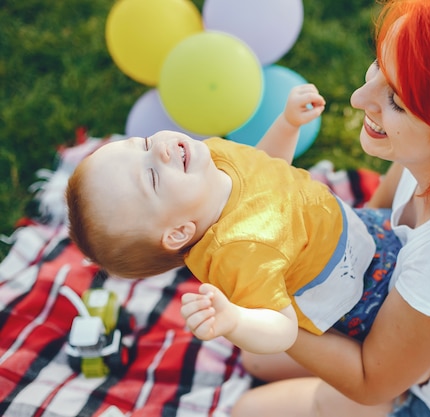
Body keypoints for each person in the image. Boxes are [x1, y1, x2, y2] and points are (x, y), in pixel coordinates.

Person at [211, 0, 430, 416]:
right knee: (254, 356)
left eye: (396, 100)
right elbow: (373, 226)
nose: (359, 97)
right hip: (418, 340)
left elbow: (370, 381)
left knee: (249, 410)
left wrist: (265, 302)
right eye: (378, 66)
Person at [66, 84, 399, 355]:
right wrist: (235, 320)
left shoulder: (209, 157)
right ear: (180, 232)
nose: (160, 150)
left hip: (358, 231)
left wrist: (287, 124)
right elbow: (282, 330)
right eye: (152, 177)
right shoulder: (236, 255)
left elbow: (264, 167)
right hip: (363, 291)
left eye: (143, 144)